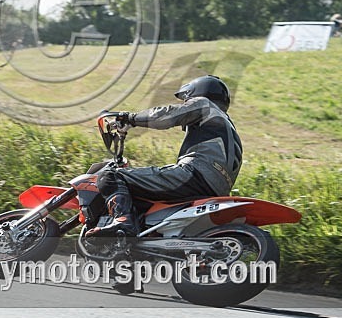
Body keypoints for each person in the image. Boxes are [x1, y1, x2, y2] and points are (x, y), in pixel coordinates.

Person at [85, 75, 242, 238]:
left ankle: (123, 222)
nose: (185, 104)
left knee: (111, 176)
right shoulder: (230, 130)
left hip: (194, 175)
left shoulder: (205, 105)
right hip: (215, 190)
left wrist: (131, 118)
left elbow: (166, 115)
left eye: (187, 100)